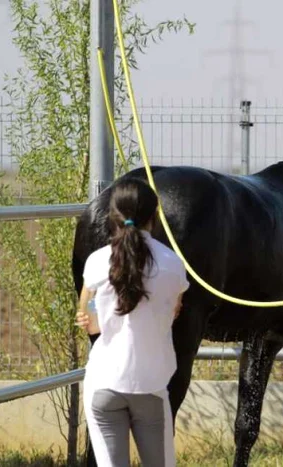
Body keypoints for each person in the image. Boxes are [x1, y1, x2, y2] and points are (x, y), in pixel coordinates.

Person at [75, 178, 189, 467]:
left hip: (103, 385)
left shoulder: (98, 262)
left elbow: (90, 325)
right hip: (151, 386)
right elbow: (175, 312)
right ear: (154, 217)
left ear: (112, 216)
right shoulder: (173, 265)